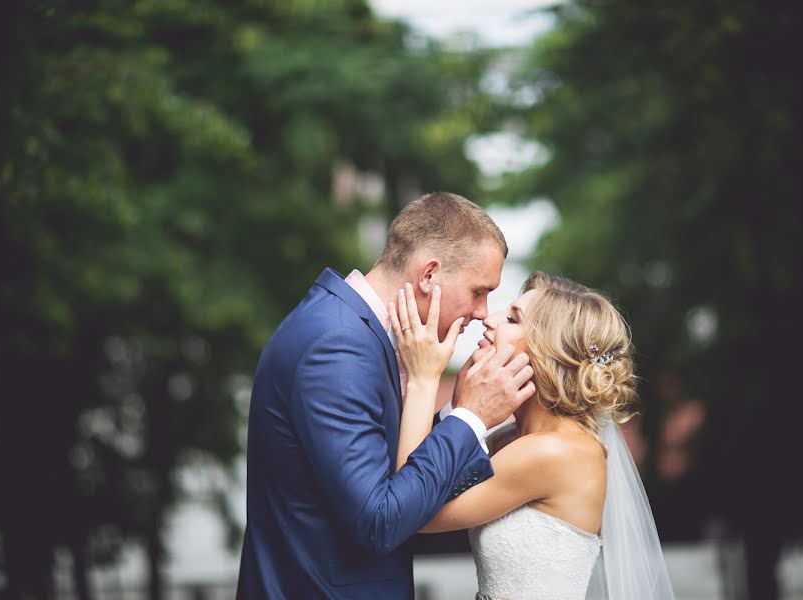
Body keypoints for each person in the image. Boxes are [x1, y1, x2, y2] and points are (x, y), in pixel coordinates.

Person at [236, 192, 535, 598]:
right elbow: (380, 521)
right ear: (429, 275)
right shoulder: (338, 345)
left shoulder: (357, 333)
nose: (483, 312)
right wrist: (472, 418)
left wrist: (455, 415)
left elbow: (390, 468)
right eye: (479, 291)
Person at [392, 271, 675, 599]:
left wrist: (424, 378)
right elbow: (422, 481)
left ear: (547, 352)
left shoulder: (554, 452)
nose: (491, 319)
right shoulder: (509, 438)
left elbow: (409, 508)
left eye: (512, 319)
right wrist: (460, 406)